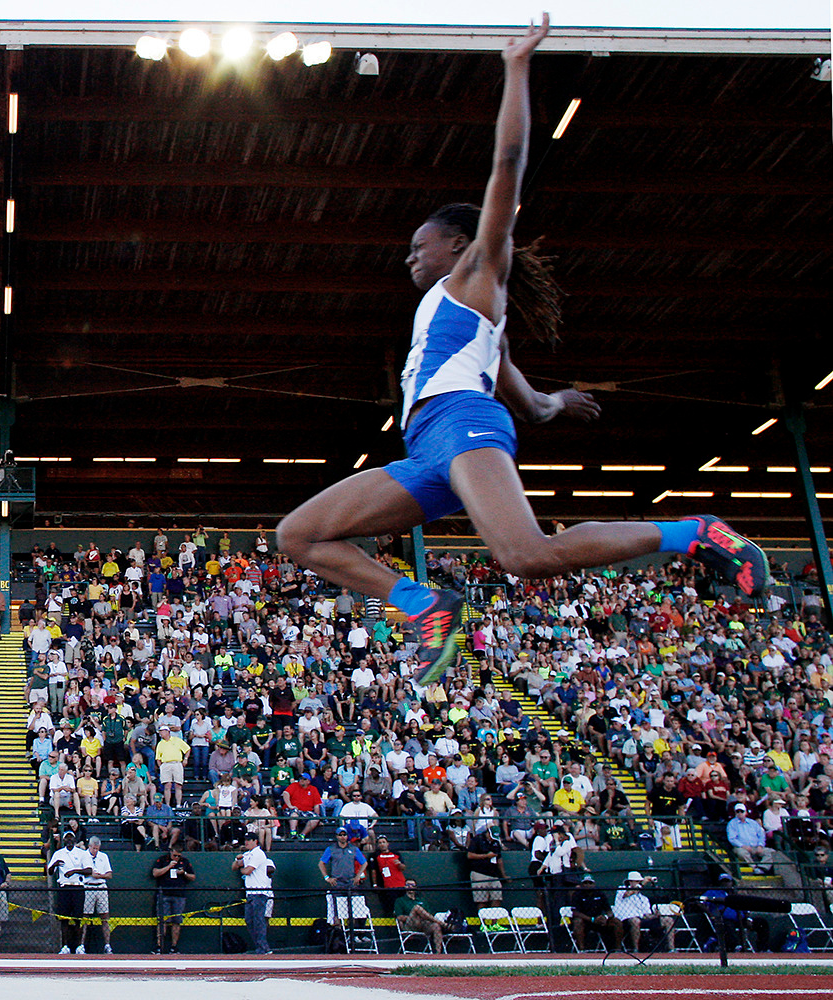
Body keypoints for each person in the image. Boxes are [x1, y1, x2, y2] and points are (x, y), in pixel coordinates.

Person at [273, 14, 768, 689]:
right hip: (430, 446)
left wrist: (515, 69)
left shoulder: (477, 272)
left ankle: (697, 532)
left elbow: (508, 165)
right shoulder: (474, 326)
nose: (410, 255)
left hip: (463, 426)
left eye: (422, 245)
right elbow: (530, 407)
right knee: (299, 536)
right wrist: (558, 399)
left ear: (458, 243)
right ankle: (426, 607)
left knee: (523, 555)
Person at [318, 827, 366, 947]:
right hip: (337, 883)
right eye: (340, 835)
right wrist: (327, 878)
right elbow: (321, 863)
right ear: (337, 836)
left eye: (344, 834)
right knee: (337, 911)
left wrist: (358, 876)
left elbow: (364, 862)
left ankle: (353, 935)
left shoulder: (353, 849)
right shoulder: (331, 849)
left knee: (354, 909)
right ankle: (339, 939)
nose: (343, 837)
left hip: (350, 883)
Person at [232, 830, 276, 955]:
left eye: (248, 840)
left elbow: (247, 871)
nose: (246, 842)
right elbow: (234, 866)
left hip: (260, 891)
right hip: (250, 893)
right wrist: (237, 860)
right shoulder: (248, 854)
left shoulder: (258, 854)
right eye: (245, 840)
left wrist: (242, 869)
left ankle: (264, 948)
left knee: (258, 920)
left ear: (255, 841)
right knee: (249, 920)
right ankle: (260, 947)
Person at [48, 829, 89, 954]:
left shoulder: (82, 853)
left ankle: (78, 946)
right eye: (67, 838)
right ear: (64, 840)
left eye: (71, 838)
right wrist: (54, 865)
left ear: (75, 839)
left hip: (77, 886)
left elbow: (88, 870)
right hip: (64, 887)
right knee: (64, 918)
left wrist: (75, 871)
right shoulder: (59, 853)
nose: (69, 840)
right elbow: (50, 872)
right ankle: (65, 945)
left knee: (78, 918)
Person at [612, 870, 673, 953]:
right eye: (637, 882)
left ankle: (671, 949)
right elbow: (627, 894)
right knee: (635, 921)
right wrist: (642, 884)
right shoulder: (621, 890)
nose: (639, 884)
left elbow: (646, 915)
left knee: (668, 920)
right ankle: (636, 949)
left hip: (642, 920)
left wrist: (655, 916)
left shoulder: (644, 898)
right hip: (627, 920)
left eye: (640, 882)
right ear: (630, 882)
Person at [150, 842, 195, 954]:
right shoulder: (162, 860)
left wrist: (184, 873)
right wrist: (169, 866)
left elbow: (192, 877)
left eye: (179, 856)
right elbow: (155, 873)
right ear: (171, 852)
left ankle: (174, 947)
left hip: (179, 895)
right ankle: (159, 946)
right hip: (164, 894)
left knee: (176, 922)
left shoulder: (185, 862)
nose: (177, 858)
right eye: (175, 855)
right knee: (162, 921)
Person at [78, 835, 114, 954]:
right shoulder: (83, 856)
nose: (95, 851)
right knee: (85, 917)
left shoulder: (103, 856)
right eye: (93, 848)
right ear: (89, 846)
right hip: (88, 887)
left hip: (101, 886)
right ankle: (81, 944)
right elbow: (83, 872)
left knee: (105, 917)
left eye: (97, 848)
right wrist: (91, 874)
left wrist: (99, 876)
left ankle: (107, 945)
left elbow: (109, 874)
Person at [569, 874, 619, 952]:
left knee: (616, 921)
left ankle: (618, 949)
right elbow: (575, 913)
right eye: (585, 883)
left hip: (599, 921)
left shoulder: (600, 894)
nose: (588, 885)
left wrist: (605, 917)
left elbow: (609, 911)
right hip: (585, 922)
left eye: (590, 883)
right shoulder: (577, 895)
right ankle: (582, 950)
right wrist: (591, 919)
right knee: (577, 922)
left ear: (594, 884)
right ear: (582, 884)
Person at [394, 881, 445, 952]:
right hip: (410, 925)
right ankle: (442, 923)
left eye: (412, 885)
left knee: (436, 926)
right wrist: (414, 916)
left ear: (416, 887)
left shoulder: (422, 900)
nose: (410, 887)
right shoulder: (400, 900)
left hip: (423, 924)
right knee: (417, 908)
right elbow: (399, 917)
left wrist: (421, 916)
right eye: (408, 885)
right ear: (405, 887)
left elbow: (429, 915)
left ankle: (438, 953)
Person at [466, 821, 507, 908]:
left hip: (494, 874)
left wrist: (503, 875)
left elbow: (499, 859)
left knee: (497, 898)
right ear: (488, 832)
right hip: (479, 873)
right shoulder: (477, 839)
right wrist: (486, 856)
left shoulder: (496, 843)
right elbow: (469, 855)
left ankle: (494, 921)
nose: (493, 839)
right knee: (482, 901)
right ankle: (483, 921)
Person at [726, 802, 775, 875]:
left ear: (745, 812)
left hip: (755, 847)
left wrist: (760, 845)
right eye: (737, 811)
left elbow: (761, 835)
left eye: (741, 811)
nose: (739, 813)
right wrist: (743, 846)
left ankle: (762, 867)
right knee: (741, 853)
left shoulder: (753, 823)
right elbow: (732, 839)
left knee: (772, 852)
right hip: (741, 847)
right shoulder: (732, 824)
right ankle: (754, 867)